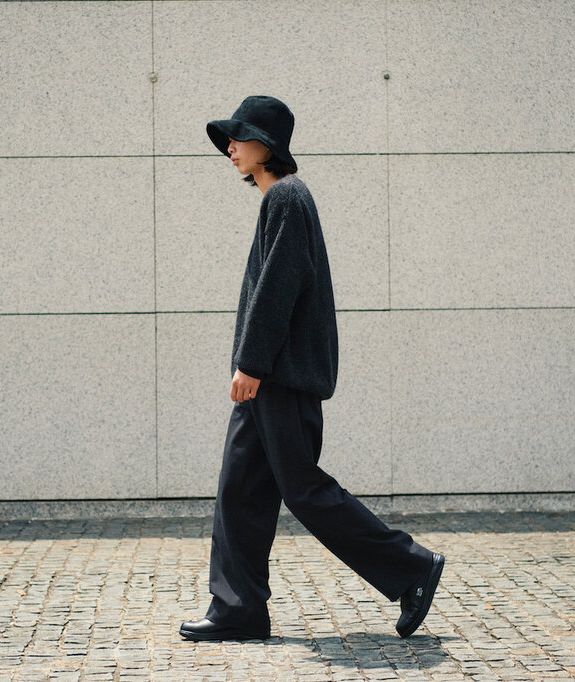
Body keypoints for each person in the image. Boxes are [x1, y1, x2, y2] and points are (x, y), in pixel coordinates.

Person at [179, 95, 444, 642]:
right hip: (268, 380)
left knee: (304, 491)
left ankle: (411, 567)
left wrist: (251, 363)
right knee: (239, 491)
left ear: (267, 145)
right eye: (229, 139)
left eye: (240, 137)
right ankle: (238, 609)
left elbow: (280, 286)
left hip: (279, 378)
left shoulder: (288, 197)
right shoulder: (279, 200)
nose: (230, 148)